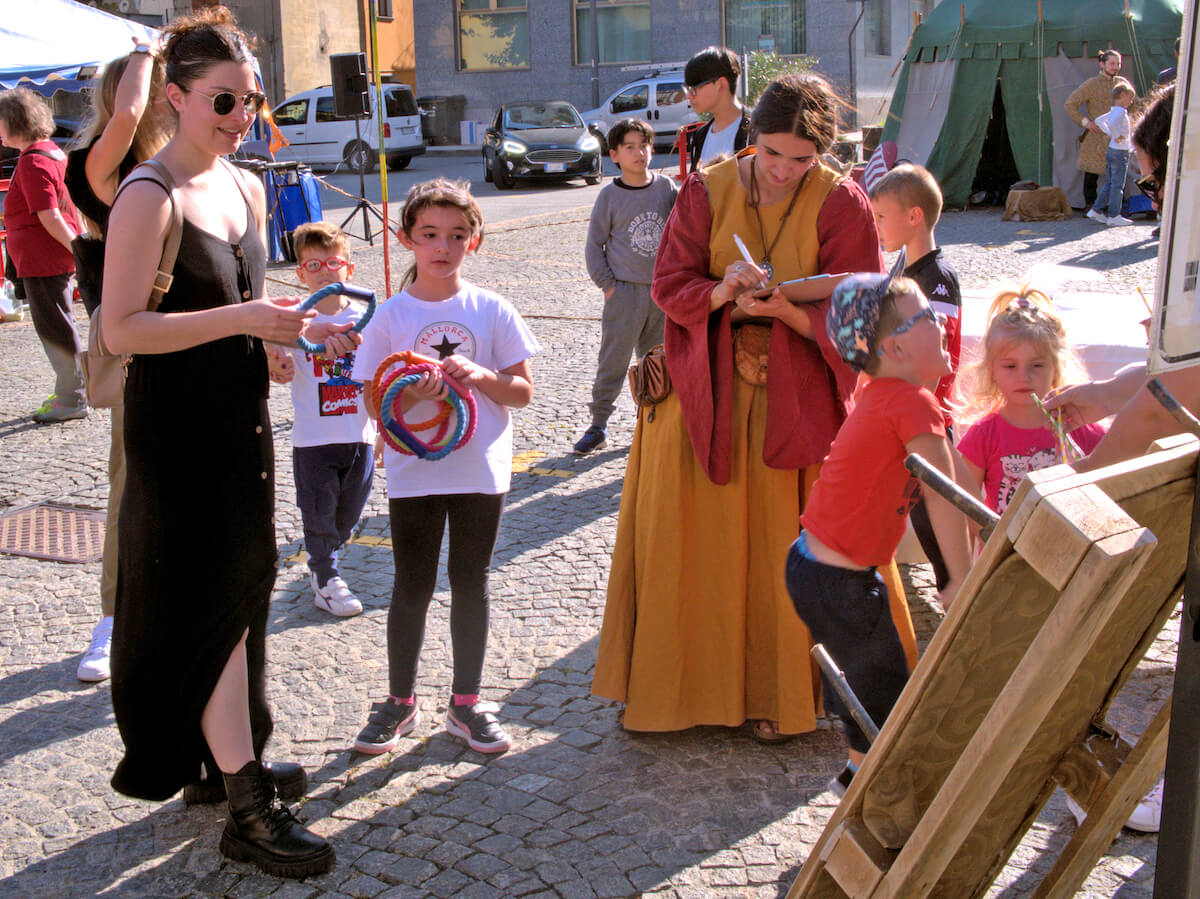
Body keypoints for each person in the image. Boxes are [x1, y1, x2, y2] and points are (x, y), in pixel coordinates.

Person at [100, 6, 355, 877]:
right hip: (176, 440)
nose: (240, 118)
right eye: (221, 102)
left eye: (249, 100)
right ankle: (248, 809)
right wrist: (250, 318)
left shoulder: (246, 187)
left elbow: (242, 316)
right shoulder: (149, 195)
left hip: (240, 424)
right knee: (211, 610)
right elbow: (122, 330)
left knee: (242, 599)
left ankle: (221, 764)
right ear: (172, 97)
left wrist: (285, 340)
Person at [592, 73, 920, 743]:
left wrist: (788, 314)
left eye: (801, 161)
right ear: (753, 138)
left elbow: (860, 315)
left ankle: (787, 695)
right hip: (701, 395)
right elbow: (669, 284)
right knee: (693, 552)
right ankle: (677, 688)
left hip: (796, 397)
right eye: (771, 153)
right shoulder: (705, 188)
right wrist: (721, 292)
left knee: (785, 558)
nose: (782, 171)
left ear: (823, 154)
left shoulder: (842, 203)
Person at [350, 179, 539, 756]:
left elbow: (523, 391)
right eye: (430, 235)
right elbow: (370, 395)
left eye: (457, 236)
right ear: (407, 239)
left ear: (474, 242)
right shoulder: (391, 315)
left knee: (470, 582)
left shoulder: (491, 308)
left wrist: (478, 377)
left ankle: (467, 703)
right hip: (416, 471)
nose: (443, 247)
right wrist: (412, 398)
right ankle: (400, 700)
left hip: (479, 468)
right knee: (410, 583)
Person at [788, 272, 971, 793]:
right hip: (838, 580)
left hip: (819, 568)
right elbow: (943, 495)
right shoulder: (913, 403)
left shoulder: (883, 391)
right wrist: (959, 578)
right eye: (928, 317)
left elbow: (931, 494)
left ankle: (859, 781)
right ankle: (870, 801)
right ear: (894, 346)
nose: (941, 323)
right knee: (885, 705)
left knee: (873, 695)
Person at [65, 41, 171, 684]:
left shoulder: (185, 170)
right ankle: (113, 619)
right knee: (132, 487)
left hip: (197, 342)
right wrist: (145, 49)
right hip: (137, 354)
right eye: (162, 86)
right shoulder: (97, 170)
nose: (164, 96)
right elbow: (129, 118)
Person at [265, 222, 375, 617]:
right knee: (319, 511)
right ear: (299, 274)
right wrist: (274, 363)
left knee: (348, 515)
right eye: (313, 265)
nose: (324, 271)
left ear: (348, 268)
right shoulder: (291, 321)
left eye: (332, 262)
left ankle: (327, 557)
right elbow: (273, 361)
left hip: (359, 435)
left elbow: (380, 371)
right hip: (313, 440)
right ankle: (325, 576)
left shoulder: (366, 315)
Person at [868, 162, 962, 590]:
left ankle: (957, 598)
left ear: (914, 216)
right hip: (904, 419)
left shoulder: (937, 282)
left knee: (942, 532)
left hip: (928, 422)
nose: (877, 226)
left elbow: (932, 361)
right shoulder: (904, 274)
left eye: (882, 216)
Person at [573, 118, 678, 455]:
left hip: (661, 294)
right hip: (624, 293)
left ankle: (652, 422)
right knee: (613, 362)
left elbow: (685, 230)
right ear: (614, 155)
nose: (639, 153)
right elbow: (594, 246)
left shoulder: (666, 189)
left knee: (657, 362)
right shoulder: (609, 196)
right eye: (629, 147)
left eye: (644, 145)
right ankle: (599, 424)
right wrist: (609, 287)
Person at [957, 287, 1107, 515]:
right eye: (1010, 366)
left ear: (1055, 369)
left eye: (1037, 365)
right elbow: (965, 513)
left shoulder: (1081, 429)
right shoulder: (981, 437)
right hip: (1005, 550)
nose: (1024, 376)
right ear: (991, 371)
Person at [0, 88, 85, 423]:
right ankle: (69, 390)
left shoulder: (35, 159)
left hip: (44, 261)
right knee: (58, 325)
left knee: (56, 329)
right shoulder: (50, 153)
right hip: (44, 259)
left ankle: (72, 396)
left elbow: (50, 215)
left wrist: (78, 251)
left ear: (14, 123)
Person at [1065, 49, 1124, 209]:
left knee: (1118, 174)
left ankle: (1113, 208)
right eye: (1112, 63)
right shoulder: (1091, 84)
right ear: (1102, 64)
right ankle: (1091, 206)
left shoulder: (1122, 84)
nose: (1115, 67)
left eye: (1118, 63)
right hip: (1096, 136)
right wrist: (1086, 122)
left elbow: (1134, 104)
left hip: (1117, 136)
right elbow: (1070, 104)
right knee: (1091, 174)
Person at [684, 46, 750, 172]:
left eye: (693, 89)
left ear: (720, 85)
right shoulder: (700, 136)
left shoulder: (755, 131)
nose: (688, 96)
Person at [1085, 81, 1137, 227]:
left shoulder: (1113, 110)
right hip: (1120, 152)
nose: (1131, 102)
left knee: (1110, 182)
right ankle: (1114, 215)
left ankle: (1096, 209)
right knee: (1118, 185)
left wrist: (1111, 134)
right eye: (1130, 98)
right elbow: (1112, 123)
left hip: (1112, 150)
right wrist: (1116, 133)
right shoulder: (1120, 111)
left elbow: (1099, 121)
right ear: (1123, 95)